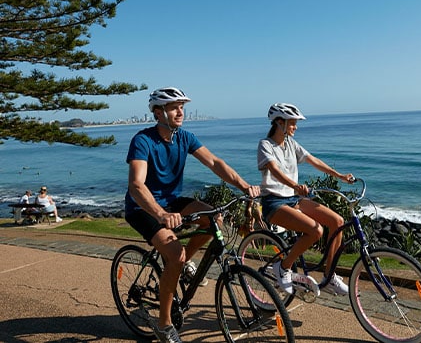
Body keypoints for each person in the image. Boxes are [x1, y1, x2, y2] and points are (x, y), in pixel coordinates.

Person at [125, 87, 260, 343]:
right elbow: (137, 185)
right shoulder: (142, 141)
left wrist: (244, 186)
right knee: (175, 256)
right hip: (143, 207)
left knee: (213, 219)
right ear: (158, 111)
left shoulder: (184, 137)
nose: (180, 112)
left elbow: (214, 163)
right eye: (174, 107)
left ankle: (185, 262)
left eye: (182, 107)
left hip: (173, 202)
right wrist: (161, 214)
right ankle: (163, 325)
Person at [258, 103, 354, 296]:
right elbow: (274, 170)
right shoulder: (265, 145)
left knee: (337, 222)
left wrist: (339, 175)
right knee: (315, 230)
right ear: (279, 122)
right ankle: (283, 267)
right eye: (292, 123)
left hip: (294, 198)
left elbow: (313, 160)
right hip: (274, 202)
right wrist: (295, 186)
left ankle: (329, 277)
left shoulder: (291, 144)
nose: (295, 127)